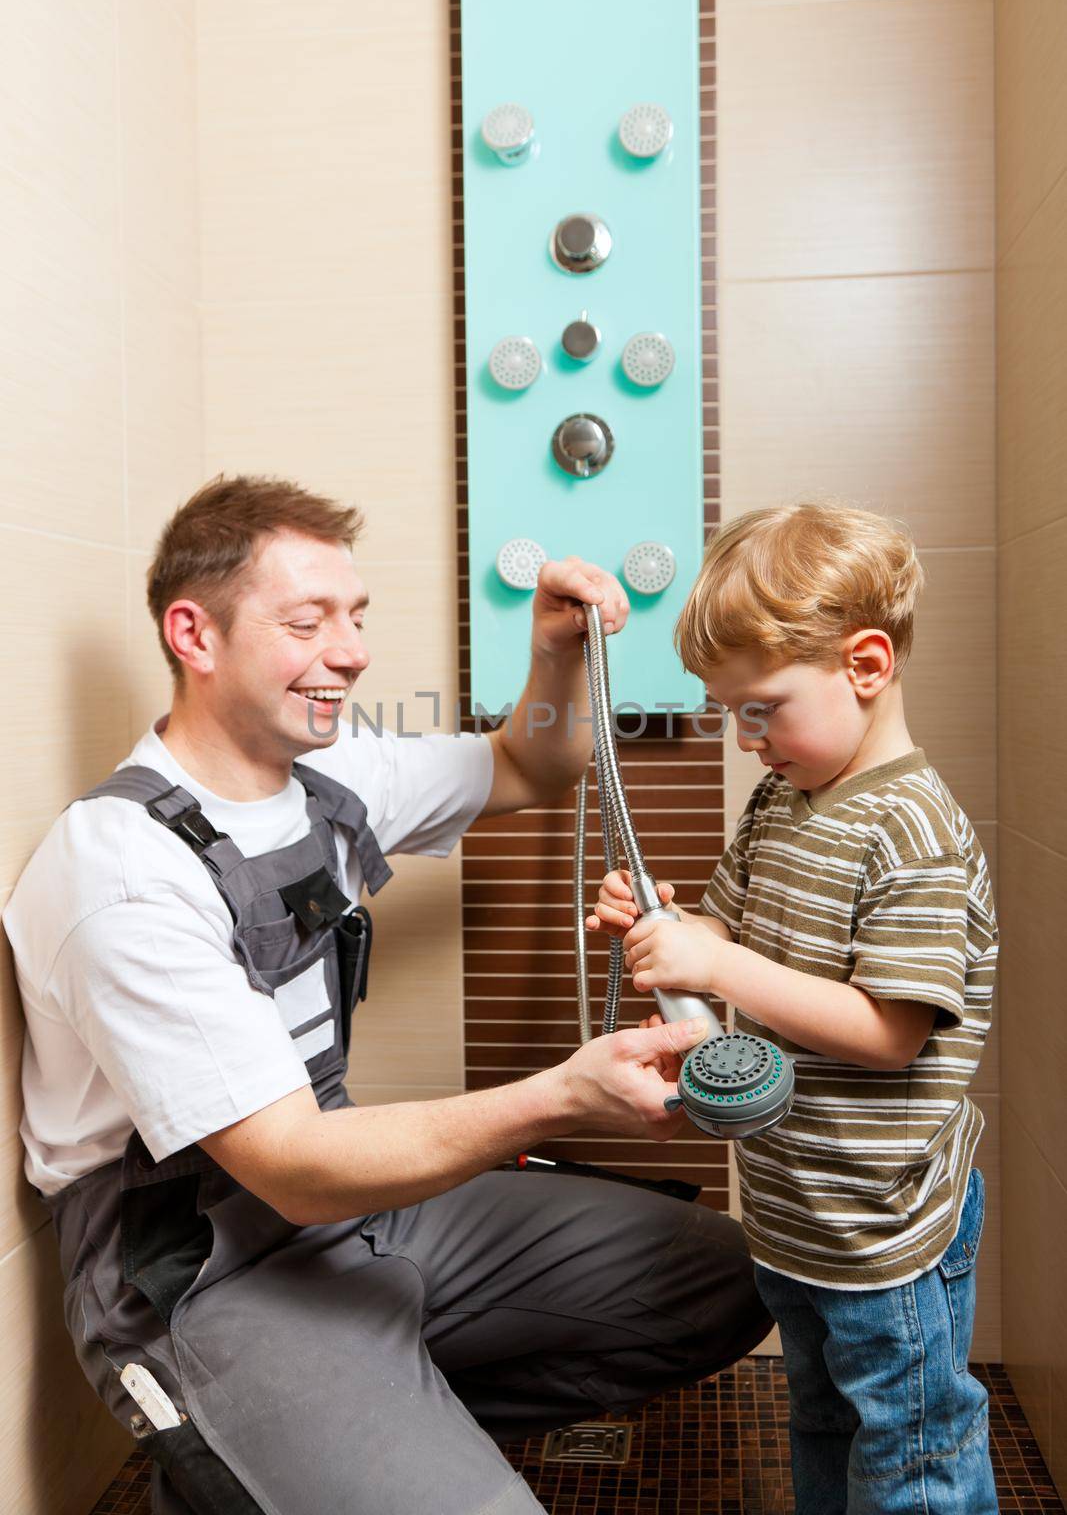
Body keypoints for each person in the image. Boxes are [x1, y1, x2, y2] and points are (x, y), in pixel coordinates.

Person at [4, 475, 770, 1515]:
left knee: (723, 1276)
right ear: (195, 634)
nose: (353, 651)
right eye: (307, 620)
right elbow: (288, 1167)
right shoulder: (124, 874)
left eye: (355, 617)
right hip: (197, 1267)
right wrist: (558, 1097)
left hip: (348, 1208)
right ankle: (254, 1446)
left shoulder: (328, 776)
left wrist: (552, 652)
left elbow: (528, 762)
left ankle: (369, 1420)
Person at [589, 503, 998, 1515]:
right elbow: (729, 941)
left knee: (910, 1454)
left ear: (864, 665)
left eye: (761, 706)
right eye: (729, 710)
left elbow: (887, 1030)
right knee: (821, 1420)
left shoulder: (912, 831)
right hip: (795, 1210)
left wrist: (712, 966)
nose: (744, 736)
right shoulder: (783, 800)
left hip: (882, 1226)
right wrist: (664, 921)